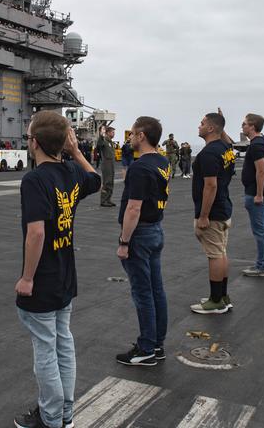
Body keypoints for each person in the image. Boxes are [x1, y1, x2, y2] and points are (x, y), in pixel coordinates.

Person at [14, 111, 100, 428]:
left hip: (44, 279)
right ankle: (63, 415)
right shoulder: (71, 173)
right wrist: (75, 152)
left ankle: (51, 418)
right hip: (65, 274)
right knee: (63, 343)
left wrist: (26, 278)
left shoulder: (35, 180)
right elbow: (97, 180)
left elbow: (36, 233)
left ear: (34, 143)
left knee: (46, 351)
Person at [115, 116, 171, 367]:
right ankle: (157, 344)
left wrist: (124, 242)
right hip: (156, 229)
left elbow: (133, 209)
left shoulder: (139, 168)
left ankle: (146, 348)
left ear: (142, 136)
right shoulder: (162, 162)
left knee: (143, 293)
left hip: (141, 233)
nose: (129, 137)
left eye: (133, 133)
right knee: (156, 290)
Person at [189, 111, 237, 315]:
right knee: (221, 253)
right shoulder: (225, 148)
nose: (198, 126)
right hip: (224, 208)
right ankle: (222, 296)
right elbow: (230, 142)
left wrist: (203, 216)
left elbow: (210, 186)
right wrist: (222, 125)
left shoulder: (209, 153)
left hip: (213, 213)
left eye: (202, 123)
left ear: (210, 128)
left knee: (215, 255)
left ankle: (216, 301)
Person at [240, 113, 264, 277]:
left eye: (244, 124)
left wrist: (259, 194)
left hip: (256, 194)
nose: (242, 126)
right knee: (262, 230)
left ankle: (263, 266)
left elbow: (261, 171)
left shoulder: (257, 145)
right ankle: (263, 264)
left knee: (260, 230)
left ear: (252, 126)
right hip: (256, 192)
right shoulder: (258, 143)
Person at [95, 126, 116, 207]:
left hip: (111, 163)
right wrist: (101, 134)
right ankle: (103, 200)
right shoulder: (104, 141)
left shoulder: (110, 142)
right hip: (106, 163)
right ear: (107, 133)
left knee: (111, 182)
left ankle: (108, 199)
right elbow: (99, 144)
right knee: (107, 182)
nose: (113, 134)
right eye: (112, 132)